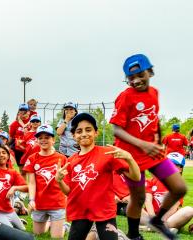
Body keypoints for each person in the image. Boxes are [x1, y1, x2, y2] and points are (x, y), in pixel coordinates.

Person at [110, 54, 188, 240]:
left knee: (179, 188)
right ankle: (133, 234)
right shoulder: (125, 97)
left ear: (150, 72)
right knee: (138, 198)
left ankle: (158, 220)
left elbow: (154, 119)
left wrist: (159, 140)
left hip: (152, 152)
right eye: (131, 78)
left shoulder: (154, 93)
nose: (136, 81)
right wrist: (143, 144)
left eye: (140, 75)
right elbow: (116, 129)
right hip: (131, 156)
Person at [56, 112, 141, 240]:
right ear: (73, 136)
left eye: (88, 130)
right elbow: (68, 191)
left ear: (96, 132)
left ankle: (120, 236)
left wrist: (129, 158)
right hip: (80, 212)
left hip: (104, 212)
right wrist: (59, 181)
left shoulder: (107, 153)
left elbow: (136, 177)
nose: (84, 134)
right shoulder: (71, 161)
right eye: (79, 131)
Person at [23, 125, 68, 238]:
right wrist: (32, 200)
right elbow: (32, 182)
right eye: (40, 137)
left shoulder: (62, 159)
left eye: (47, 137)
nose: (43, 140)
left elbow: (66, 183)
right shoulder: (32, 158)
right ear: (37, 140)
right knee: (38, 234)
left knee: (56, 237)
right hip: (39, 203)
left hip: (57, 203)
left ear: (53, 140)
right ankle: (50, 223)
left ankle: (63, 226)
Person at [142, 152, 193, 233]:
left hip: (167, 219)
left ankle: (152, 228)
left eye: (173, 164)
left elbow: (173, 208)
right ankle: (165, 228)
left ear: (180, 169)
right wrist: (153, 218)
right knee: (133, 206)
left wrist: (161, 220)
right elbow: (148, 201)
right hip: (150, 216)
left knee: (189, 210)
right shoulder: (151, 181)